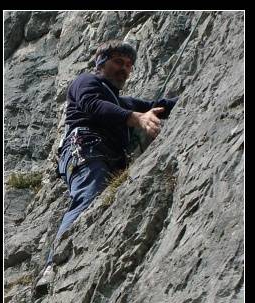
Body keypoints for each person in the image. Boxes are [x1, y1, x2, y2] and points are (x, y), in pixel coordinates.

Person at [36, 40, 178, 290]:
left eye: (129, 65)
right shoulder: (87, 83)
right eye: (118, 62)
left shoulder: (123, 101)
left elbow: (158, 107)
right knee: (89, 193)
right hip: (85, 148)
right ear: (101, 63)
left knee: (99, 198)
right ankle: (53, 265)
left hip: (108, 157)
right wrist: (135, 118)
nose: (124, 68)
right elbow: (94, 106)